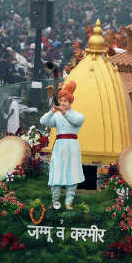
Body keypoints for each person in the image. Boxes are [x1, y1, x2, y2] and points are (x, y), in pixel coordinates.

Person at [39, 81, 85, 210]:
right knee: (56, 173)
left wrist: (64, 113)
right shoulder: (57, 116)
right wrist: (52, 111)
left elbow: (75, 121)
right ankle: (55, 201)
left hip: (72, 147)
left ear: (70, 102)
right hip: (59, 147)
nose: (63, 103)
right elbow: (43, 121)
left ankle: (69, 202)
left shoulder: (78, 116)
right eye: (61, 100)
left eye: (65, 101)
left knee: (73, 174)